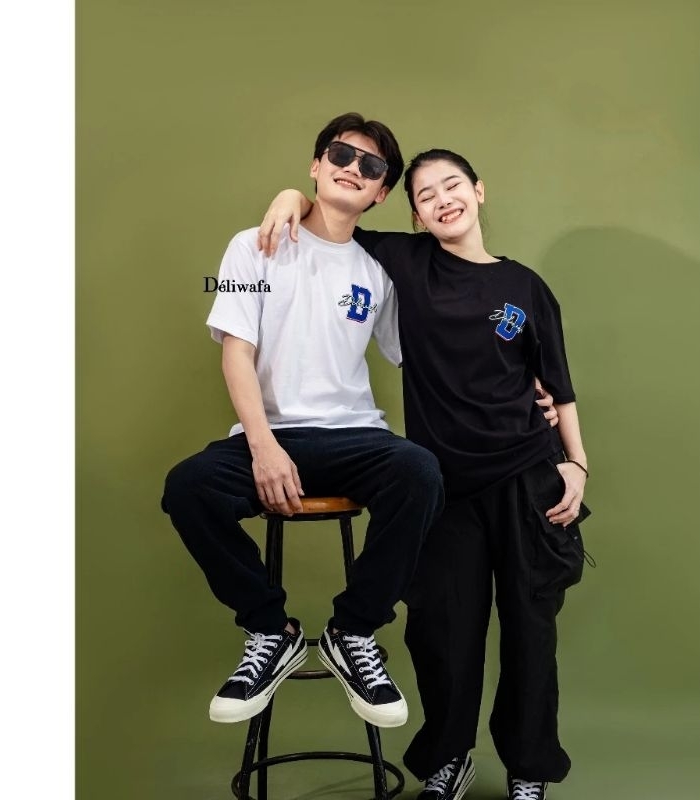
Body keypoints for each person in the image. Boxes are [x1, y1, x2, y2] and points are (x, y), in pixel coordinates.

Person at [258, 147, 591, 800]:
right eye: (427, 195)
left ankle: (529, 768)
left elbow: (557, 385)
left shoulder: (525, 287)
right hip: (445, 487)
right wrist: (287, 197)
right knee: (443, 632)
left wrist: (577, 463)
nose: (443, 200)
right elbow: (331, 216)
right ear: (414, 216)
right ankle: (448, 759)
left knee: (530, 631)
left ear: (478, 191)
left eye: (452, 185)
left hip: (529, 479)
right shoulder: (406, 264)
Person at [161, 113, 446, 731]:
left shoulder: (378, 270)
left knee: (419, 472)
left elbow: (422, 354)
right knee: (188, 487)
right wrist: (263, 446)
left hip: (355, 436)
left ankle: (353, 631)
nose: (353, 168)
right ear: (317, 165)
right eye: (341, 154)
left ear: (381, 193)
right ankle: (271, 630)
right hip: (271, 436)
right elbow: (236, 350)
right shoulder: (254, 245)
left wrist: (523, 378)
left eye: (371, 166)